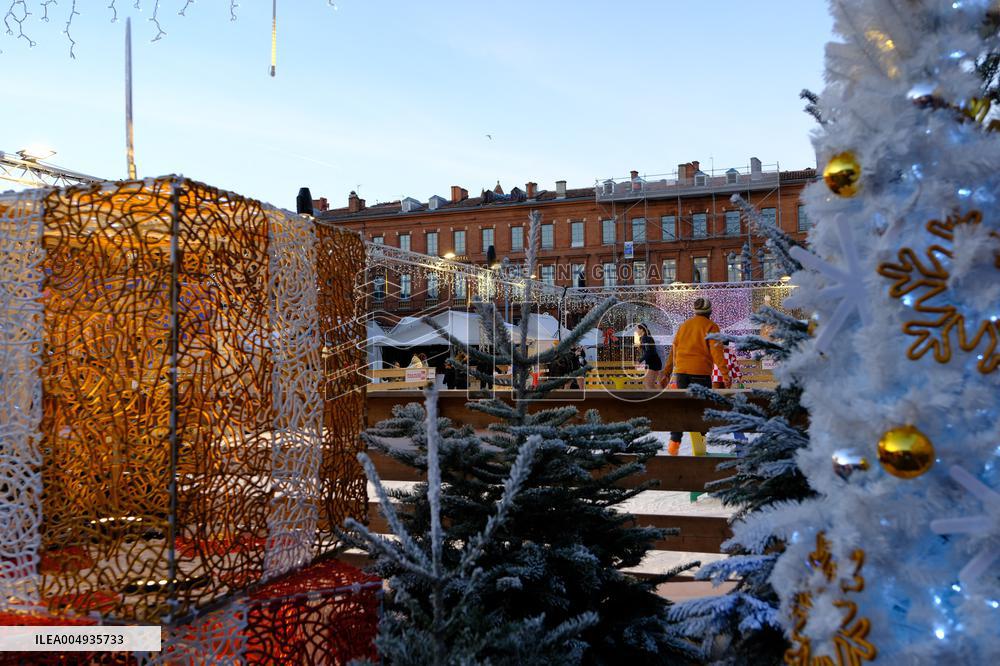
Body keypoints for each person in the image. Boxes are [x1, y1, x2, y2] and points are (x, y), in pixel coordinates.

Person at [660, 297, 730, 455]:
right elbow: (717, 353)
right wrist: (725, 375)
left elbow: (674, 351)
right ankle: (700, 448)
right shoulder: (711, 326)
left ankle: (674, 442)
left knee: (682, 407)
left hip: (682, 374)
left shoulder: (684, 326)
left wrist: (667, 372)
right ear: (710, 312)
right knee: (700, 408)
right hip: (700, 374)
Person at [635, 323, 662, 390]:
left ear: (642, 330)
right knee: (650, 384)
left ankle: (657, 398)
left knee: (648, 384)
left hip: (653, 363)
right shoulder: (645, 338)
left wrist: (639, 361)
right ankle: (658, 398)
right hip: (653, 362)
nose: (636, 331)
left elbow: (649, 352)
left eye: (637, 329)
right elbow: (648, 351)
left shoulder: (646, 338)